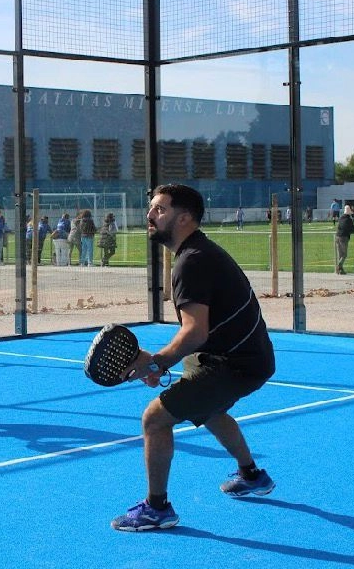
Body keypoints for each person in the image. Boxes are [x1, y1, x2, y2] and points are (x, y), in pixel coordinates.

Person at [112, 184, 275, 532]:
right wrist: (159, 361)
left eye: (160, 209)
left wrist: (156, 363)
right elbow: (199, 334)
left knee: (155, 419)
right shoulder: (195, 253)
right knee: (209, 409)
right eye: (151, 208)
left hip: (235, 361)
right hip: (234, 353)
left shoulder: (192, 261)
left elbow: (194, 332)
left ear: (184, 217)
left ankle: (157, 509)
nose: (150, 215)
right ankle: (252, 475)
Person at [334, 205, 354, 275]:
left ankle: (340, 270)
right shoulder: (349, 220)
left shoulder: (340, 218)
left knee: (340, 254)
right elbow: (353, 230)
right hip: (344, 237)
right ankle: (339, 265)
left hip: (337, 236)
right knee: (344, 255)